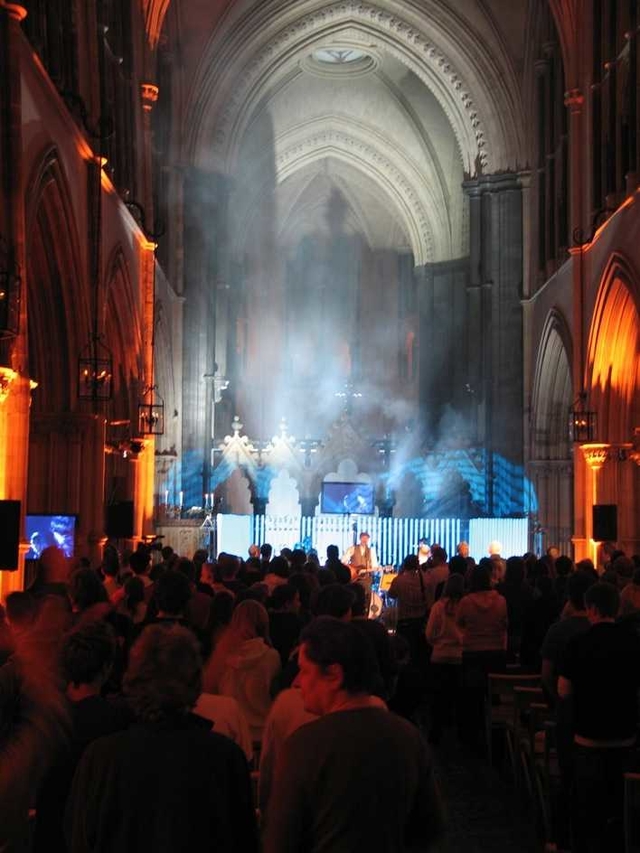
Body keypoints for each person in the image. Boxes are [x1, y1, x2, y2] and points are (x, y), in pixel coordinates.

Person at [65, 624, 258, 852]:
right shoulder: (225, 758)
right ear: (195, 682)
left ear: (133, 680)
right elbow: (245, 840)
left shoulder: (102, 758)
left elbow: (79, 839)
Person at [262, 617, 443, 853]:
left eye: (305, 671)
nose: (297, 681)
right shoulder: (407, 735)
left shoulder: (305, 745)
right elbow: (429, 826)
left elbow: (280, 840)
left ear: (334, 675)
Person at [558, 583, 640, 852]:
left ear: (592, 608)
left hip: (588, 738)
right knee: (620, 805)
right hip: (626, 737)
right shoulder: (633, 641)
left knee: (587, 807)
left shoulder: (578, 643)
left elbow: (563, 690)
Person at [425, 573, 464, 745]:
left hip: (440, 656)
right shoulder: (466, 606)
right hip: (460, 656)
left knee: (438, 698)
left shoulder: (438, 607)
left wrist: (437, 644)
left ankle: (436, 734)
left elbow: (429, 634)